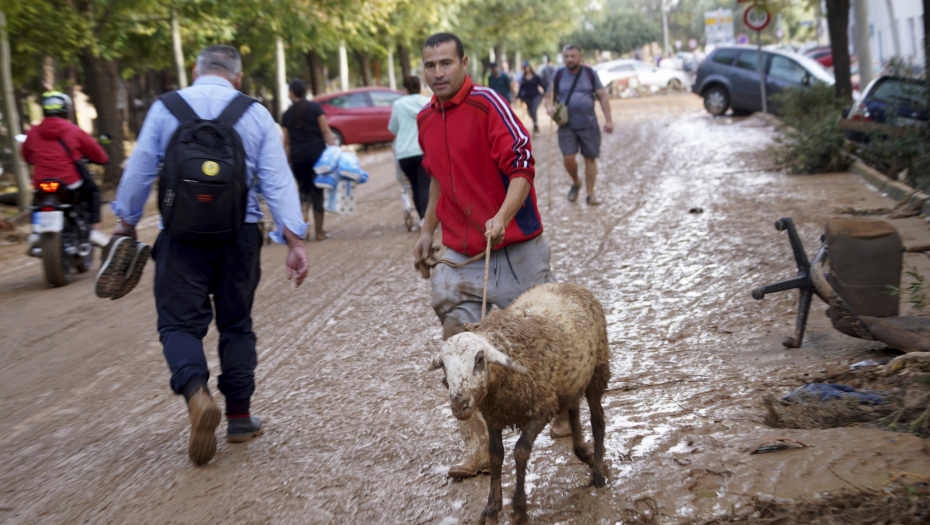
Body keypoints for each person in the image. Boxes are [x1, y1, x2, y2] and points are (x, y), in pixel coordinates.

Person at [109, 45, 309, 466]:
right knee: (236, 324)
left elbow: (141, 169)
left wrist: (125, 222)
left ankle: (196, 392)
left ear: (197, 72)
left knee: (179, 323)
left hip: (180, 240)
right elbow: (277, 181)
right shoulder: (254, 113)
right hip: (239, 238)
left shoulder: (166, 108)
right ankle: (238, 417)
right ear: (237, 78)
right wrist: (294, 241)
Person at [414, 32, 560, 479]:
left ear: (463, 63)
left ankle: (567, 415)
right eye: (430, 65)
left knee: (543, 344)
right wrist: (426, 229)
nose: (437, 72)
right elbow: (438, 177)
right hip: (460, 254)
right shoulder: (424, 119)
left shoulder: (488, 104)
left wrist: (500, 215)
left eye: (445, 63)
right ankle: (477, 447)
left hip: (515, 247)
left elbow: (522, 167)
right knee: (456, 346)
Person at [21, 91, 110, 248]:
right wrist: (103, 160)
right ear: (66, 110)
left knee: (37, 201)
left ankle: (35, 232)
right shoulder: (73, 130)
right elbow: (98, 155)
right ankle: (95, 231)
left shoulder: (32, 132)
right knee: (93, 191)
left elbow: (26, 156)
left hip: (41, 182)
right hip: (69, 181)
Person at [545, 43, 614, 205]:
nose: (569, 59)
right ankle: (576, 182)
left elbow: (602, 96)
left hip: (589, 124)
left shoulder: (590, 74)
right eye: (567, 56)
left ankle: (590, 194)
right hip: (566, 125)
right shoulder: (558, 75)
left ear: (580, 57)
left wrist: (608, 120)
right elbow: (549, 96)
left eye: (573, 56)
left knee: (590, 158)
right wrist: (549, 107)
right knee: (568, 158)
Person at [281, 78, 338, 241]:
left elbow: (287, 141)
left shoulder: (286, 115)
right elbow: (326, 132)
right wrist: (335, 151)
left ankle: (303, 226)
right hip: (317, 156)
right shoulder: (316, 107)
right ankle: (319, 232)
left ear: (291, 93)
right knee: (317, 192)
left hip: (298, 157)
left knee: (304, 192)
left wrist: (286, 162)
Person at [388, 75, 432, 224]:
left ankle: (421, 217)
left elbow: (393, 128)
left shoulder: (398, 104)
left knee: (414, 185)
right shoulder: (427, 102)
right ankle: (426, 220)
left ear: (405, 89)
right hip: (424, 151)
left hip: (404, 153)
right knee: (425, 184)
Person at [517, 61, 546, 134]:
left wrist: (547, 92)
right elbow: (521, 88)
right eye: (525, 67)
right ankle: (534, 121)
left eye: (527, 67)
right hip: (527, 97)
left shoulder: (536, 77)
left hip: (536, 96)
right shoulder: (523, 78)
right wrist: (518, 96)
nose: (526, 69)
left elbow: (542, 84)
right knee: (530, 111)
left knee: (534, 110)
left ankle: (535, 125)